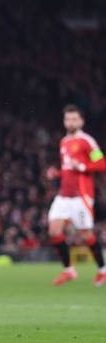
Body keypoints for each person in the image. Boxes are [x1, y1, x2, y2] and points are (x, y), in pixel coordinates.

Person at [46, 105, 106, 286]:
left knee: (86, 234)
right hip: (64, 195)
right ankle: (69, 270)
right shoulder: (63, 142)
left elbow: (102, 163)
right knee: (54, 231)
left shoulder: (87, 141)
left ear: (81, 121)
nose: (70, 122)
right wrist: (57, 173)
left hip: (81, 196)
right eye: (68, 119)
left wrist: (82, 166)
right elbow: (67, 169)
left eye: (74, 119)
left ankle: (103, 270)